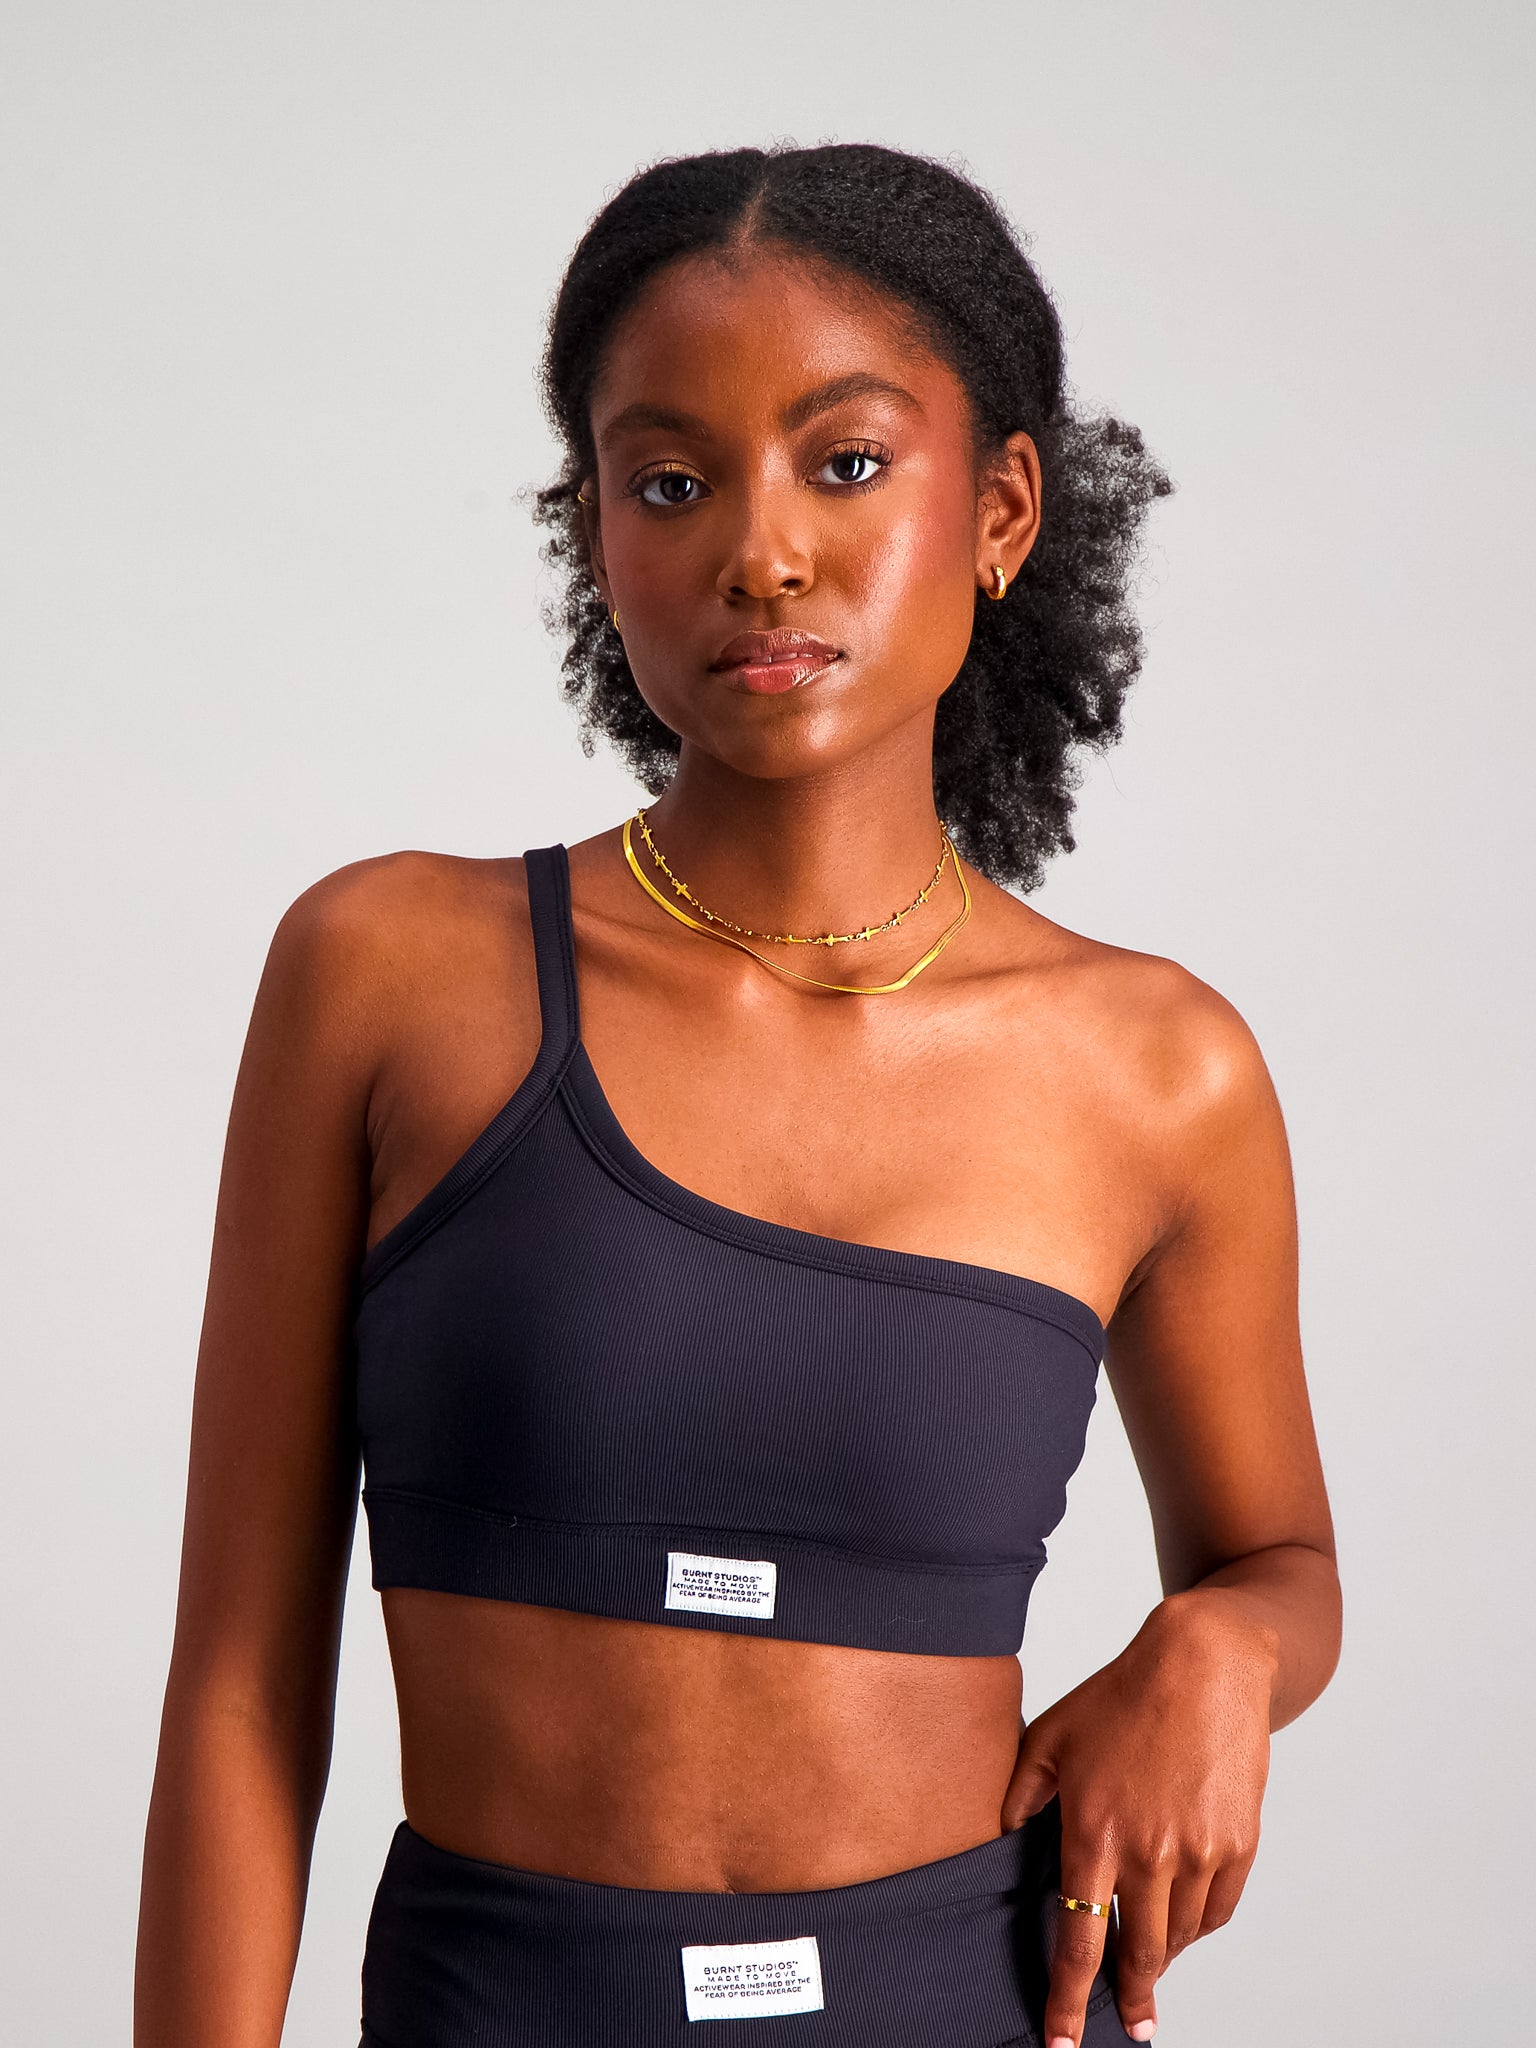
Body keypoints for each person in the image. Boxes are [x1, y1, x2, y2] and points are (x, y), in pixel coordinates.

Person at [135, 143, 1341, 2048]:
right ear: (595, 532)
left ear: (1001, 509)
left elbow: (1283, 1566)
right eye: (671, 483)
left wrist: (1218, 1650)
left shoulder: (1158, 1070)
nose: (760, 553)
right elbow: (237, 1686)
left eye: (845, 465)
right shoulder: (391, 976)